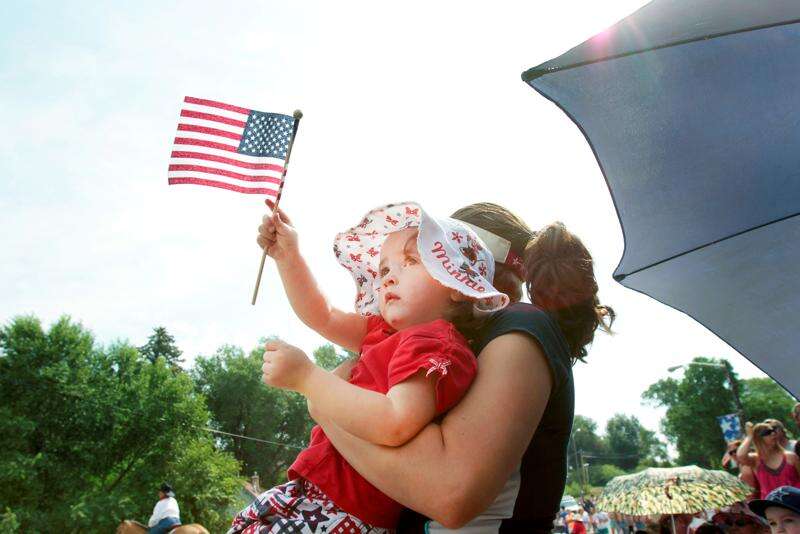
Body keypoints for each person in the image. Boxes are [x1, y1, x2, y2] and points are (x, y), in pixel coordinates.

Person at [306, 202, 614, 531]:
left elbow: (449, 493)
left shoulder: (522, 328)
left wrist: (322, 398)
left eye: (426, 257)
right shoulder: (451, 343)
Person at [229, 201, 510, 533]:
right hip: (317, 495)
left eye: (410, 262)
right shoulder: (383, 332)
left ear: (457, 285)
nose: (390, 278)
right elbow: (324, 314)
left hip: (345, 510)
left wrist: (308, 378)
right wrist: (289, 257)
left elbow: (395, 421)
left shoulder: (436, 342)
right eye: (385, 269)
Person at [738, 422, 800, 498]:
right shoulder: (755, 460)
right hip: (772, 507)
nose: (773, 433)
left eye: (773, 430)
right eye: (767, 432)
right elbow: (740, 455)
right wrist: (750, 436)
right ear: (758, 438)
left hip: (796, 503)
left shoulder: (791, 457)